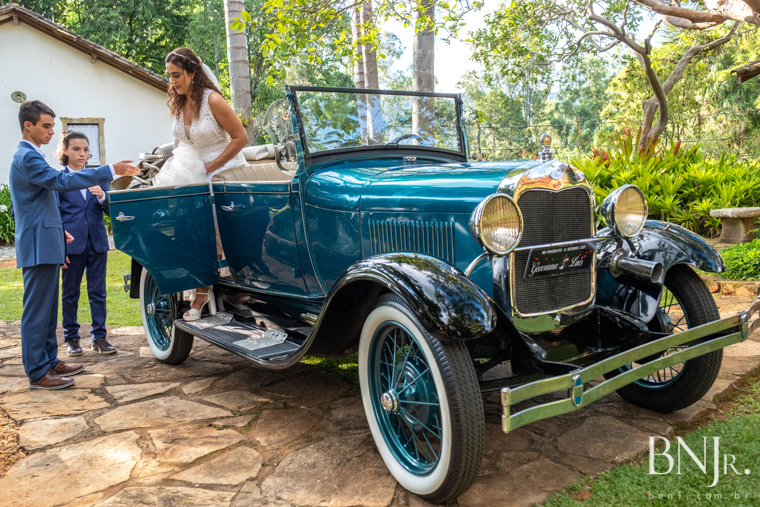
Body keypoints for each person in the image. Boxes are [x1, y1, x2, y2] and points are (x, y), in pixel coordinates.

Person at [9, 100, 138, 390]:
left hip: (47, 240)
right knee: (37, 311)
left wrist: (60, 233)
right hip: (37, 244)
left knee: (47, 310)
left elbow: (43, 204)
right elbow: (61, 182)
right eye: (46, 126)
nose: (51, 131)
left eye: (52, 126)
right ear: (28, 125)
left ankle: (49, 361)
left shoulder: (33, 155)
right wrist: (109, 169)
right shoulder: (27, 156)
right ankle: (37, 372)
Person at [160, 46, 249, 320]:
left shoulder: (213, 100)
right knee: (190, 231)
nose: (172, 81)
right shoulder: (178, 102)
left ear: (192, 72)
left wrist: (209, 167)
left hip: (223, 171)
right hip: (192, 172)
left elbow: (240, 138)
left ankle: (213, 291)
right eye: (169, 76)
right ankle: (199, 287)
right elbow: (180, 140)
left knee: (212, 231)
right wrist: (176, 166)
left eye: (176, 75)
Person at [57, 130, 116, 356]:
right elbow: (55, 214)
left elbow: (111, 210)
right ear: (65, 151)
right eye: (76, 149)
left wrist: (102, 197)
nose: (82, 154)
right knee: (70, 292)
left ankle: (99, 337)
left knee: (98, 291)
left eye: (85, 150)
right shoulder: (58, 179)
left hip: (97, 242)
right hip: (71, 244)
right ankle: (71, 338)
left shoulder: (98, 177)